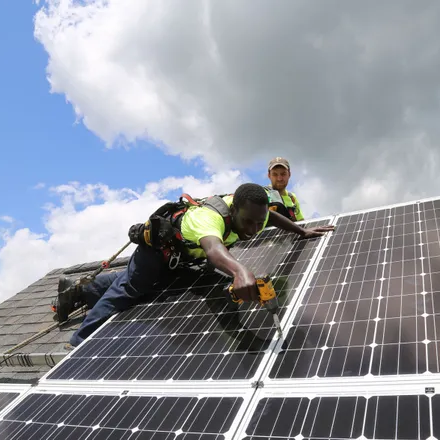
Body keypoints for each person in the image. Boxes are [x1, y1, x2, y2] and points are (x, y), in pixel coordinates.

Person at [56, 183, 334, 348]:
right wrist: (240, 271)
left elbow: (270, 219)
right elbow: (214, 250)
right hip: (157, 253)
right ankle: (79, 339)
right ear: (233, 209)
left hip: (183, 258)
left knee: (144, 284)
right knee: (129, 290)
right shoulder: (208, 220)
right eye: (247, 221)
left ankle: (78, 291)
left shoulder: (255, 213)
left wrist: (301, 232)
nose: (252, 229)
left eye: (257, 222)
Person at [264, 157, 305, 222]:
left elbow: (301, 223)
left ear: (289, 174)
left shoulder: (292, 198)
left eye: (283, 174)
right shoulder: (263, 194)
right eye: (275, 174)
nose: (279, 178)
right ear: (269, 175)